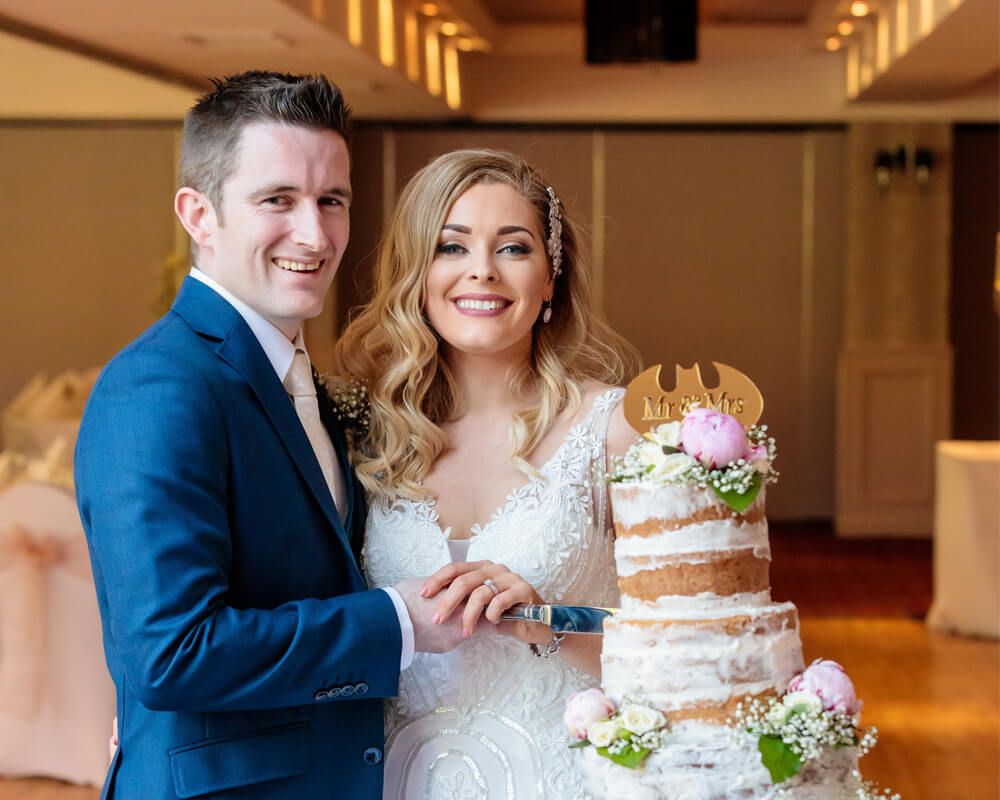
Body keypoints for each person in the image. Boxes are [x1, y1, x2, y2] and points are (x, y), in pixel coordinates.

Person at [75, 71, 465, 800]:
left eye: (332, 201)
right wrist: (394, 623)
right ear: (198, 213)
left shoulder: (299, 377)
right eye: (277, 200)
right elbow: (171, 655)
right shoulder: (158, 388)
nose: (314, 235)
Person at [332, 148, 642, 799]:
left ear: (551, 275)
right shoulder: (365, 436)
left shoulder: (613, 430)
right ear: (418, 272)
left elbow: (691, 645)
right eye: (451, 246)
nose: (481, 271)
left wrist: (552, 622)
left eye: (513, 248)